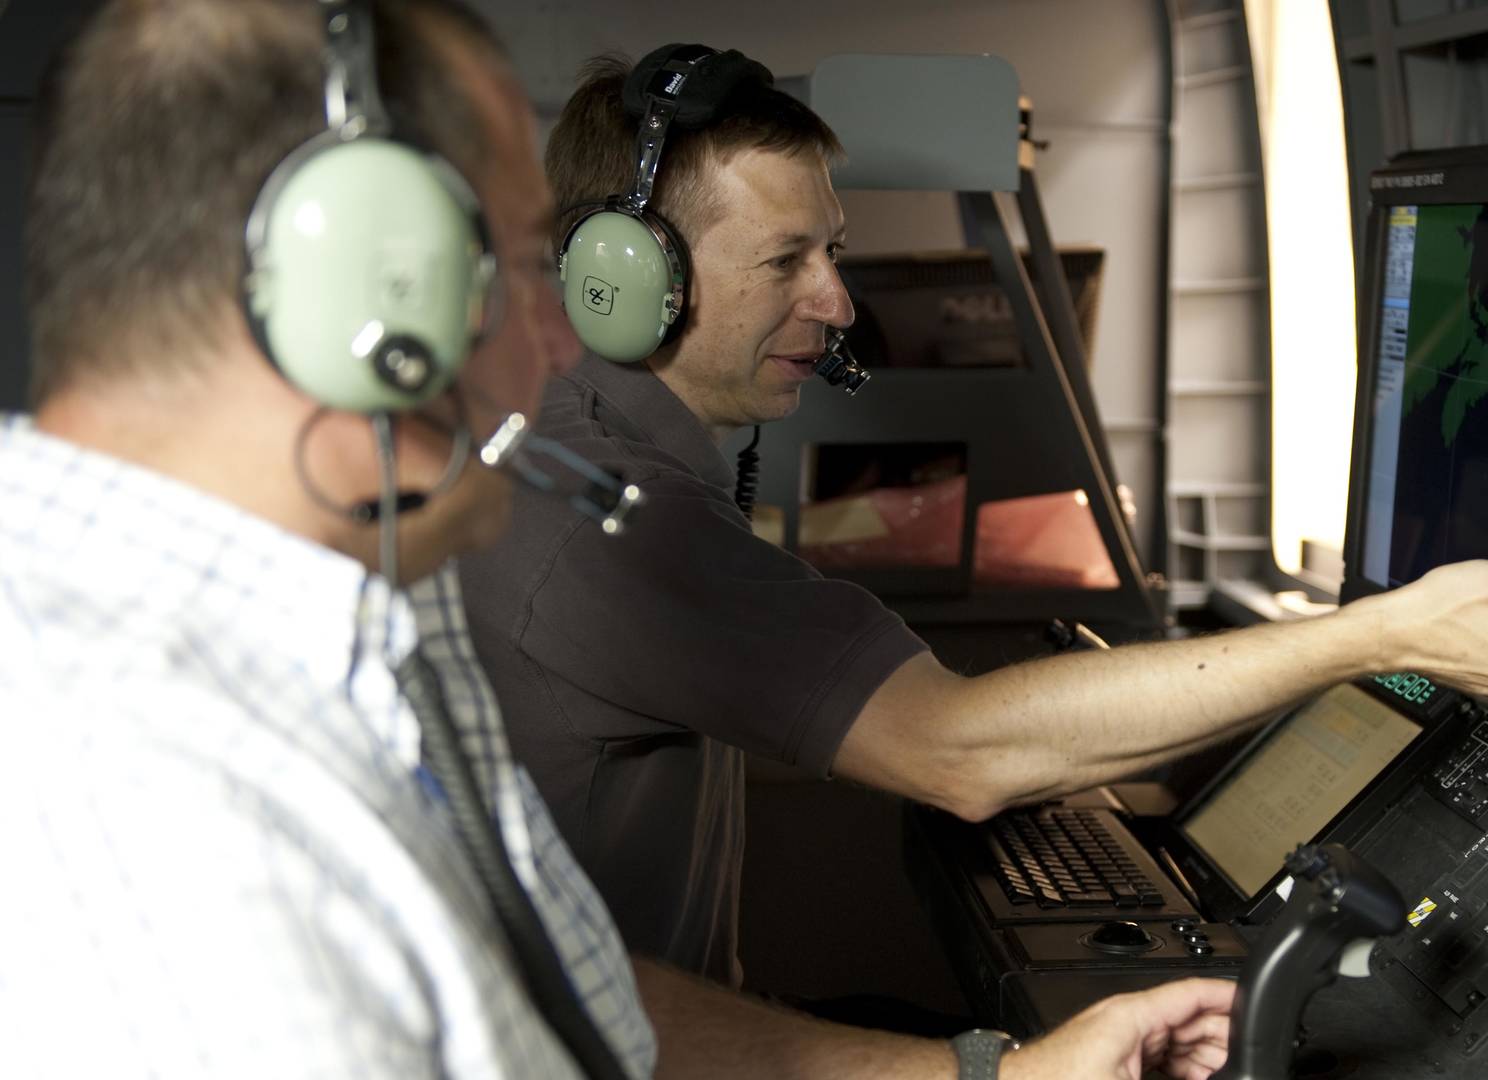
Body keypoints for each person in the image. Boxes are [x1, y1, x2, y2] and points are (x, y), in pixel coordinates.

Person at [0, 2, 1234, 1077]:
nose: (556, 339)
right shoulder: (139, 780)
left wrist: (991, 1076)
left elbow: (566, 993)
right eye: (503, 268)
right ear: (348, 305)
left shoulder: (314, 648)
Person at [459, 43, 1488, 987]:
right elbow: (956, 751)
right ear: (621, 278)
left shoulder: (568, 448)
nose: (837, 300)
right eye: (786, 261)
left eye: (835, 250)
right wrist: (1381, 634)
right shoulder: (614, 523)